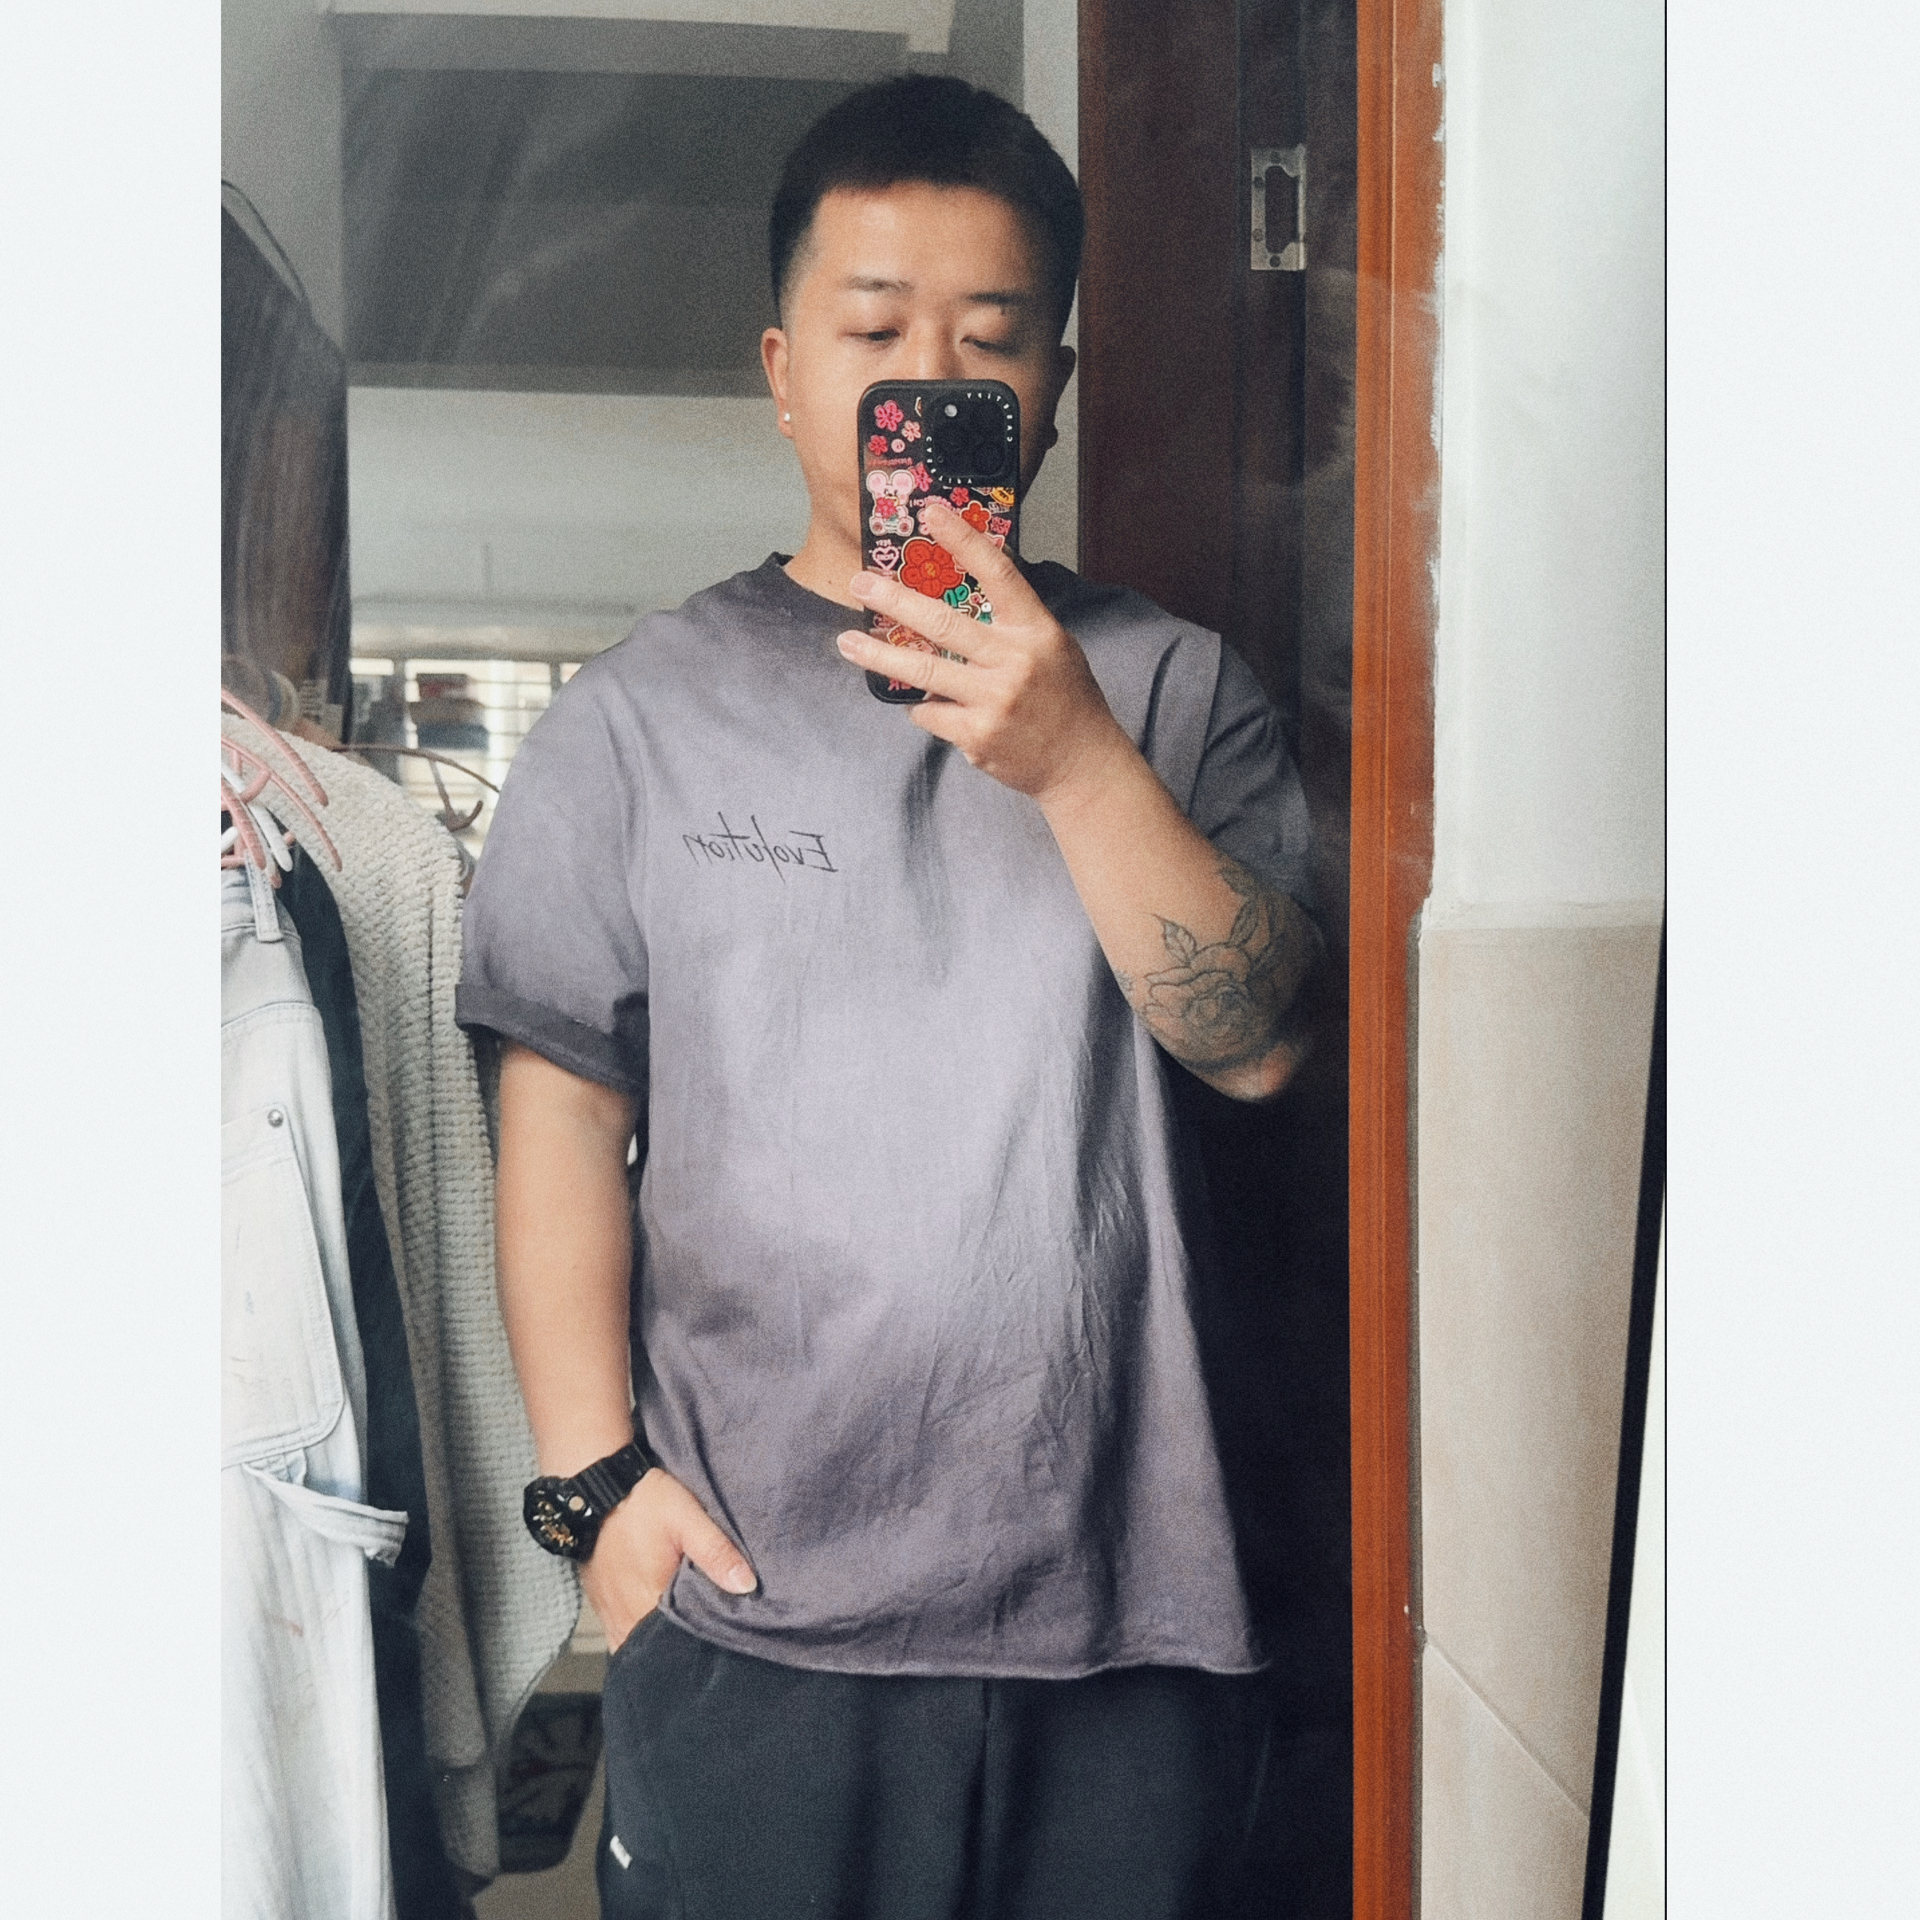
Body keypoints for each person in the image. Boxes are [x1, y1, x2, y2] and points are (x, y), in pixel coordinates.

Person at [455, 73, 1323, 1919]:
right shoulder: (633, 722)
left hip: (1132, 1619)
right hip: (755, 1613)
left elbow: (1258, 1047)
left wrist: (1077, 760)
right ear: (784, 372)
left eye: (989, 340)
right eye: (874, 333)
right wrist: (593, 1490)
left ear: (1051, 391)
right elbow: (563, 1123)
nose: (927, 376)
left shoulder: (1172, 691)